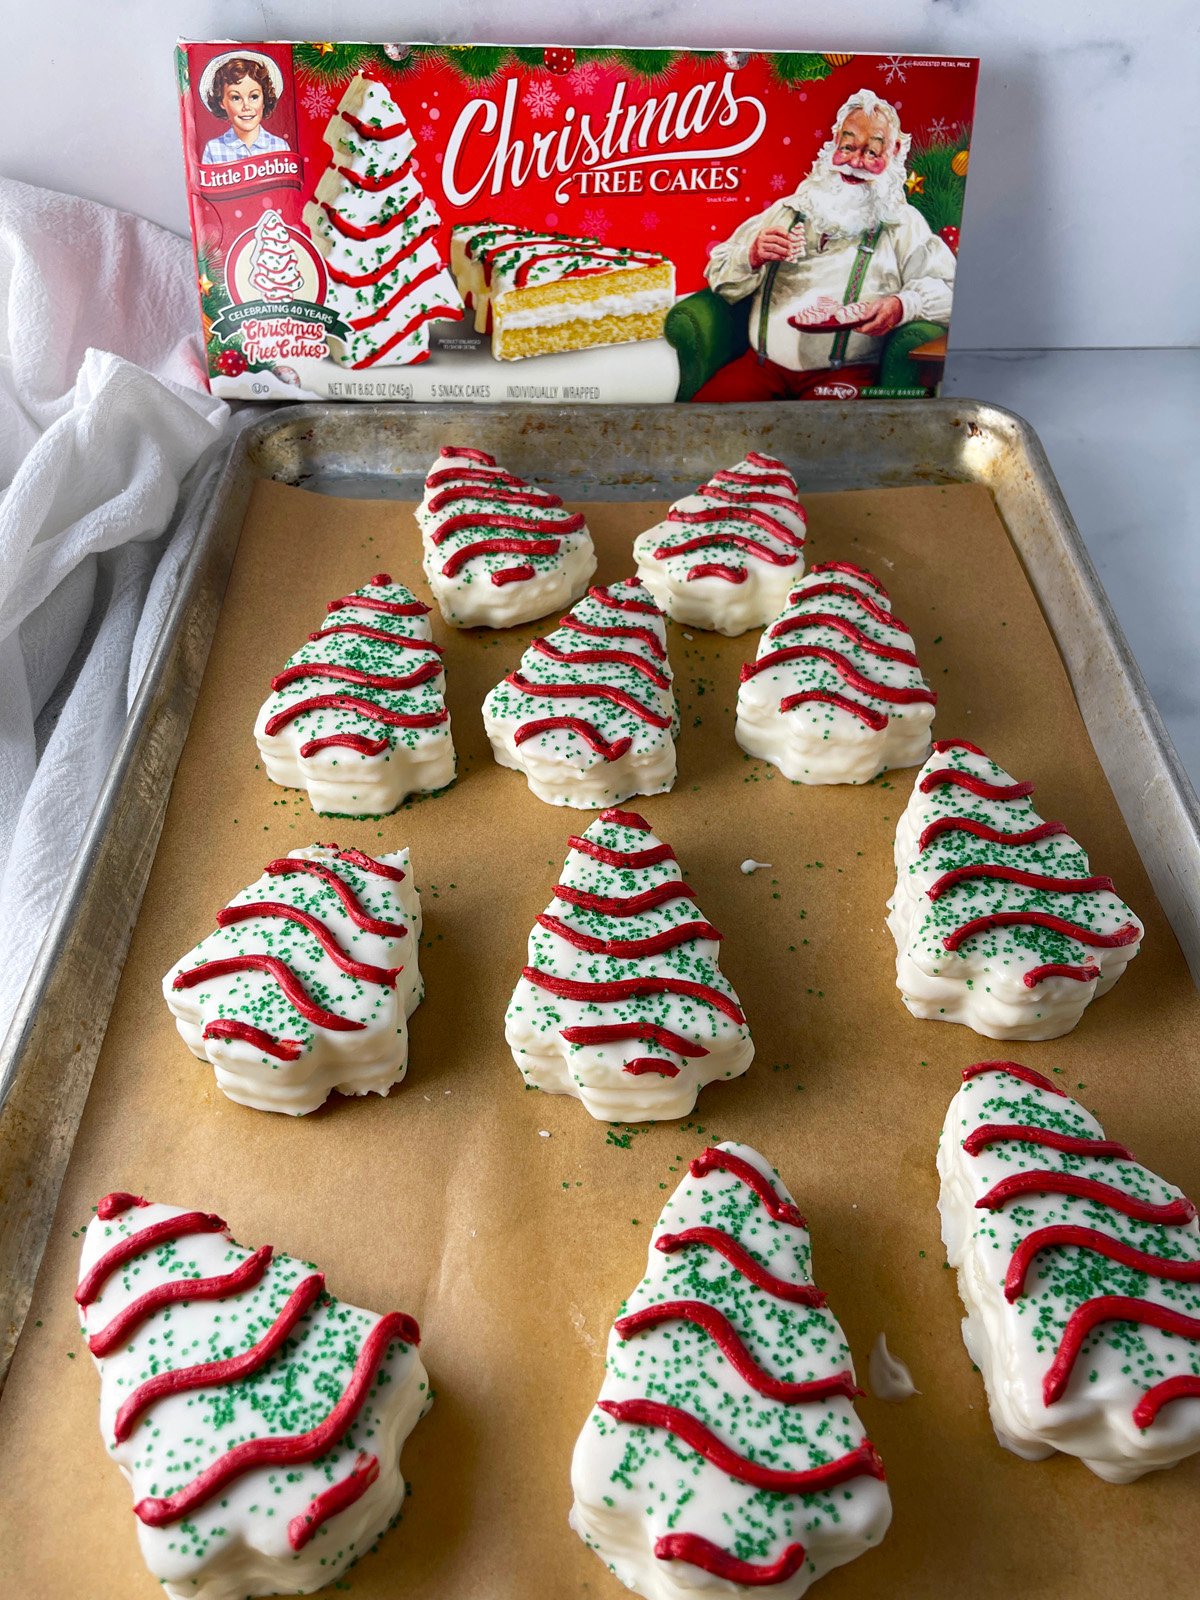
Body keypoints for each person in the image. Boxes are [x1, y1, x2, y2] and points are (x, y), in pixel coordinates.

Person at [697, 88, 955, 400]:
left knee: (818, 441)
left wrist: (903, 305)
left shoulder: (901, 223)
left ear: (895, 153)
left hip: (843, 376)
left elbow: (951, 290)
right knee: (695, 426)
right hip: (762, 368)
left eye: (873, 152)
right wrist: (751, 256)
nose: (855, 161)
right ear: (833, 145)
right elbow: (718, 272)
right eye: (847, 146)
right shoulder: (790, 209)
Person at [200, 54, 290, 164]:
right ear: (221, 102)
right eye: (236, 98)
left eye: (254, 97)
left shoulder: (279, 147)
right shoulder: (213, 149)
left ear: (264, 99)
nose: (246, 106)